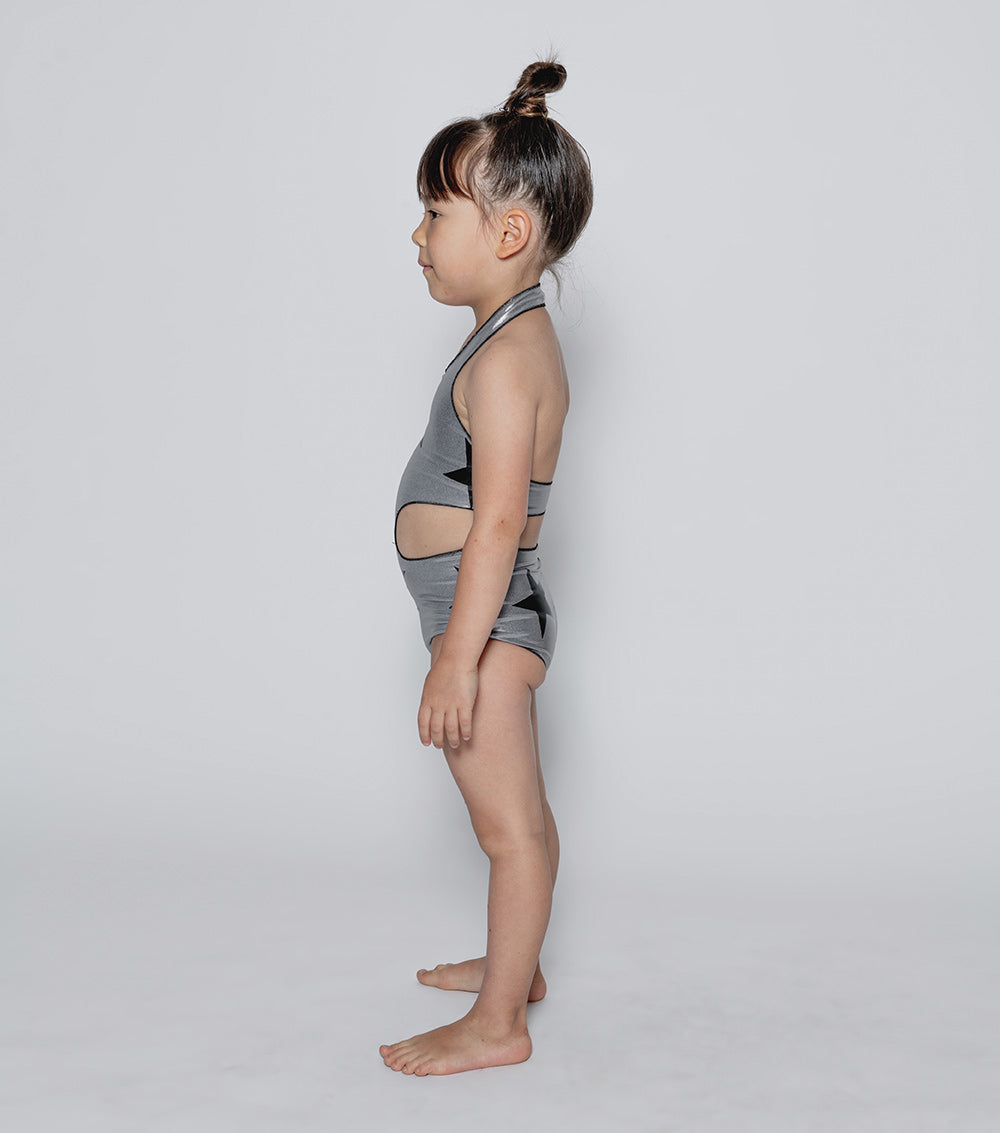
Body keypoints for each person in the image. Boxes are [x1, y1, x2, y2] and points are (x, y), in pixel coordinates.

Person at [380, 60, 593, 1076]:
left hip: (489, 624)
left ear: (506, 234)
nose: (418, 235)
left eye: (434, 213)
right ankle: (519, 966)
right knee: (525, 819)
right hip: (492, 617)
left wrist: (455, 661)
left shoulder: (507, 360)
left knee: (509, 832)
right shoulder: (513, 336)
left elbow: (498, 523)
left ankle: (498, 1020)